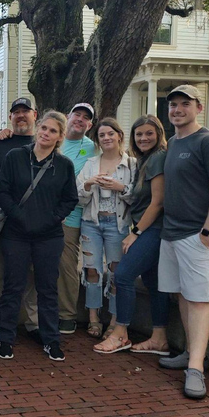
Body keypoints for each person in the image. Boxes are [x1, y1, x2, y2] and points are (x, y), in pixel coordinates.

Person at [157, 85, 209, 399]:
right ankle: (191, 354)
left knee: (200, 299)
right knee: (184, 297)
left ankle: (197, 370)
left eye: (184, 104)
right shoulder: (173, 143)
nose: (177, 109)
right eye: (172, 105)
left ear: (198, 108)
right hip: (173, 234)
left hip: (198, 236)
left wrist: (207, 231)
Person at [0, 110, 78, 361]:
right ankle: (5, 338)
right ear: (37, 128)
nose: (46, 133)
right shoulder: (15, 156)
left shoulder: (64, 165)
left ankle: (51, 340)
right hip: (15, 234)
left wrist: (50, 219)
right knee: (13, 286)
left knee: (48, 289)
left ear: (60, 137)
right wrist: (19, 215)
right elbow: (1, 191)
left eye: (53, 131)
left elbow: (70, 199)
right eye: (43, 128)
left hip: (49, 236)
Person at [94, 115, 170, 354]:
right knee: (154, 283)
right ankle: (160, 338)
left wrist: (135, 232)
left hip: (153, 228)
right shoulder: (144, 160)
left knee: (124, 274)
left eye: (149, 133)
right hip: (148, 227)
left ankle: (120, 333)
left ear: (158, 134)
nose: (144, 138)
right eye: (139, 134)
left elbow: (157, 202)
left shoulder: (157, 158)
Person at [0, 98, 37, 341]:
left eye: (25, 111)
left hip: (37, 223)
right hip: (2, 221)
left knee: (34, 276)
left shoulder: (46, 143)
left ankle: (35, 324)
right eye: (16, 112)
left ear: (35, 114)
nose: (20, 115)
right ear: (10, 117)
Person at [76, 118, 135, 339]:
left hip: (117, 225)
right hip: (91, 223)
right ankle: (93, 318)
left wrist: (120, 187)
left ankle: (113, 320)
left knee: (115, 273)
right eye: (102, 135)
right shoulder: (91, 163)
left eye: (110, 133)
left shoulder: (131, 165)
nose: (107, 138)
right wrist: (89, 184)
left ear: (119, 135)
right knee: (92, 270)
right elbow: (79, 197)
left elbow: (137, 197)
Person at [56, 103, 96, 335]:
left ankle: (67, 315)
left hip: (73, 217)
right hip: (45, 216)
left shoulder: (94, 147)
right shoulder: (54, 141)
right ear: (68, 116)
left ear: (90, 125)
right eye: (77, 115)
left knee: (67, 266)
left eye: (86, 118)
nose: (80, 119)